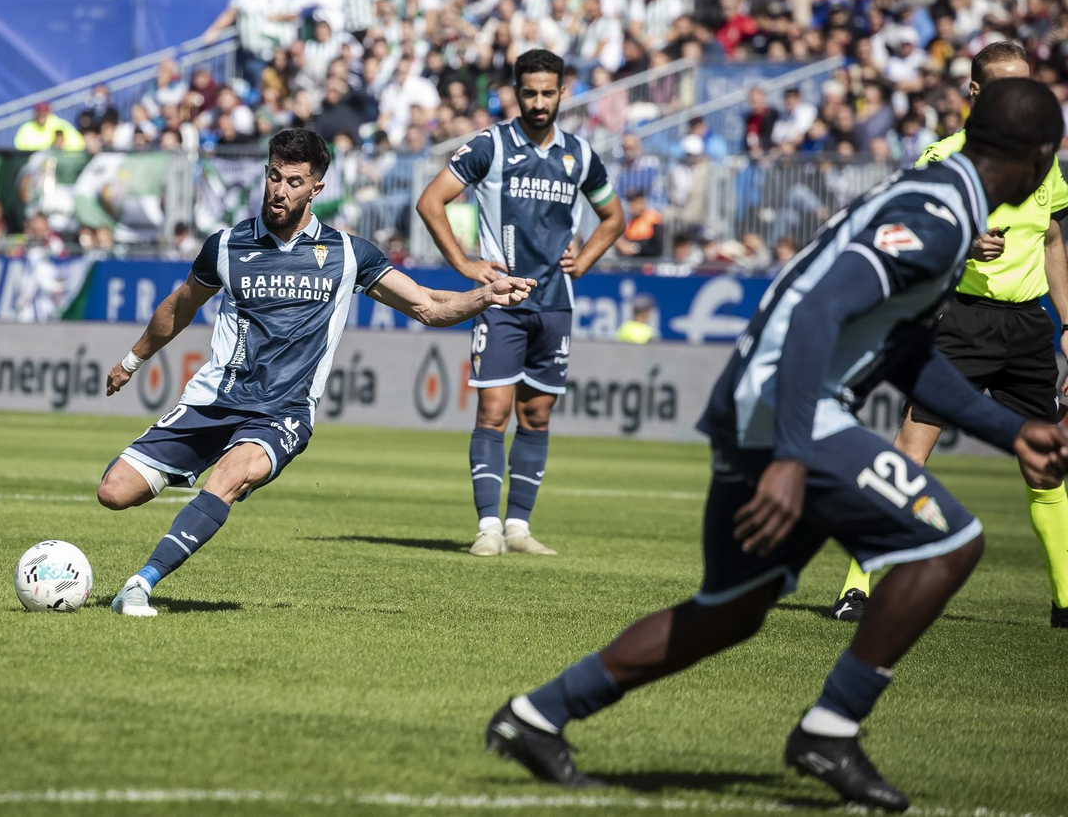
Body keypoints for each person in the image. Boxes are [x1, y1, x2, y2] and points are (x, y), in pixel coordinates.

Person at [483, 77, 1068, 812]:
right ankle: (831, 727)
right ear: (1042, 156)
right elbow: (821, 310)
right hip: (790, 417)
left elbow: (901, 347)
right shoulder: (941, 211)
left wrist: (1015, 430)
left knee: (730, 609)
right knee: (950, 544)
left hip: (760, 408)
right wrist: (792, 455)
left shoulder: (943, 195)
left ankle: (534, 717)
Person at [98, 128, 535, 616]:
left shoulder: (349, 254)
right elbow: (180, 306)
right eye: (273, 176)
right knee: (113, 493)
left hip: (281, 411)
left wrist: (484, 297)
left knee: (228, 478)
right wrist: (131, 361)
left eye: (293, 181)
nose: (279, 190)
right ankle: (187, 474)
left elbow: (429, 306)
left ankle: (140, 584)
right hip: (213, 399)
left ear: (316, 189)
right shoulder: (226, 245)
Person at [834, 42, 1068, 628]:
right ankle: (857, 586)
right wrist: (963, 246)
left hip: (1028, 326)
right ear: (975, 94)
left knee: (1046, 466)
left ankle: (1066, 603)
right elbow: (901, 238)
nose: (1023, 98)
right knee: (909, 458)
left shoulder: (1046, 158)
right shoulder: (943, 159)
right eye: (1009, 86)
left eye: (1029, 85)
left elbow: (1052, 242)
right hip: (959, 319)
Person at [415, 50, 626, 558]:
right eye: (528, 92)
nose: (537, 102)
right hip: (501, 301)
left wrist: (587, 257)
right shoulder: (492, 145)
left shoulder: (580, 153)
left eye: (546, 93)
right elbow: (430, 200)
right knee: (493, 411)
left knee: (537, 415)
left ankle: (518, 527)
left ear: (561, 92)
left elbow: (614, 217)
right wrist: (467, 266)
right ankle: (488, 526)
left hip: (556, 304)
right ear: (516, 91)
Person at [202, 0, 297, 88]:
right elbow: (230, 13)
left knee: (277, 89)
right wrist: (213, 31)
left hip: (277, 55)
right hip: (254, 56)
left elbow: (294, 14)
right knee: (259, 89)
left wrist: (278, 16)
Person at [13, 101, 84, 152]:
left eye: (44, 112)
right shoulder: (26, 128)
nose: (41, 115)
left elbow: (78, 144)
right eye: (39, 112)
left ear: (49, 112)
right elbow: (19, 147)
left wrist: (63, 148)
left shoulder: (60, 125)